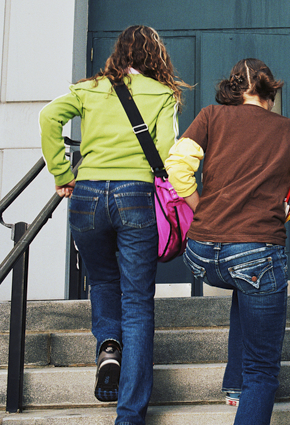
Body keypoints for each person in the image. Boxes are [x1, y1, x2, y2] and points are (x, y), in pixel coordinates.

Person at [165, 58, 290, 425]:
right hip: (255, 251)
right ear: (270, 90)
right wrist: (286, 209)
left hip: (201, 253)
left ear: (234, 88)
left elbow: (177, 167)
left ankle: (234, 386)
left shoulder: (211, 116)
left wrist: (200, 208)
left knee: (247, 288)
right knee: (263, 369)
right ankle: (246, 384)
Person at [39, 25, 191, 425]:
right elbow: (165, 153)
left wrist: (61, 172)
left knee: (103, 281)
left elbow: (48, 116)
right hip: (135, 196)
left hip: (87, 195)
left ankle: (109, 346)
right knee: (138, 302)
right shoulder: (163, 95)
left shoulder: (89, 89)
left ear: (118, 54)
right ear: (155, 56)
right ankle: (129, 415)